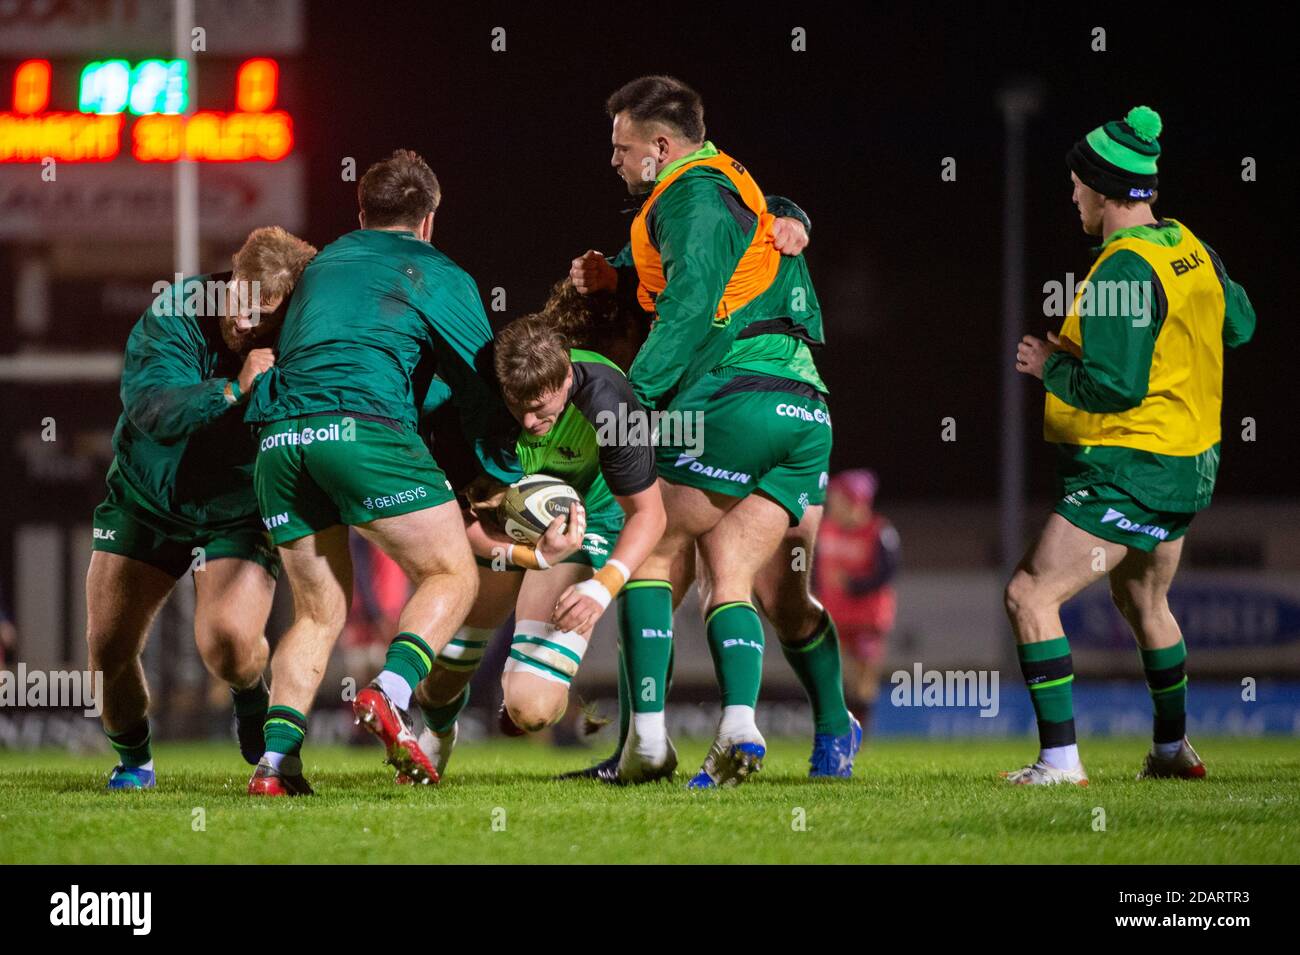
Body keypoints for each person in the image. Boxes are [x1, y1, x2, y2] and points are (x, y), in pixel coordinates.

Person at [569, 75, 855, 788]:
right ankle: (822, 731)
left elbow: (694, 302)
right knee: (767, 591)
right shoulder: (729, 185)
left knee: (652, 540)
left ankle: (649, 743)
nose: (614, 160)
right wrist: (621, 272)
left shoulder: (692, 193)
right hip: (804, 408)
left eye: (622, 146)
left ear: (659, 147)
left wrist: (633, 400)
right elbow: (729, 257)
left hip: (735, 395)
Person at [242, 149, 521, 794]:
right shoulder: (435, 270)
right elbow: (480, 384)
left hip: (281, 443)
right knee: (451, 573)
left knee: (317, 613)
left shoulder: (322, 265)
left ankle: (275, 764)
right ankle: (391, 694)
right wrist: (494, 470)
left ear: (360, 213)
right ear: (429, 219)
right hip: (359, 433)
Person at [1008, 105, 1255, 785]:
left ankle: (1060, 761)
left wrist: (1047, 363)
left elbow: (1115, 387)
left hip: (1134, 467)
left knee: (1030, 595)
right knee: (1145, 604)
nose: (1073, 196)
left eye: (1078, 185)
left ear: (1108, 189)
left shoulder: (1122, 269)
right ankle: (1173, 750)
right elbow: (1242, 325)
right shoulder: (1188, 245)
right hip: (1190, 463)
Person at [87, 227, 317, 790]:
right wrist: (231, 391)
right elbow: (150, 405)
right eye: (238, 302)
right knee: (109, 646)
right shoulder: (178, 309)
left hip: (237, 508)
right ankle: (135, 762)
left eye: (260, 314)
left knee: (230, 644)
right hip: (147, 496)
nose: (243, 321)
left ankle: (247, 691)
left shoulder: (308, 333)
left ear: (287, 308)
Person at [406, 311, 664, 778]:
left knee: (530, 708)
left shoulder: (612, 405)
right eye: (517, 406)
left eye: (541, 410)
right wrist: (527, 554)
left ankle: (537, 675)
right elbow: (457, 522)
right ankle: (439, 734)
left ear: (567, 378)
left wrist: (602, 587)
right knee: (437, 685)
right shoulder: (465, 404)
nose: (529, 421)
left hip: (586, 519)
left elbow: (650, 514)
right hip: (501, 525)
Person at [813, 469, 899, 736]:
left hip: (867, 618)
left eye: (837, 499)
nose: (831, 504)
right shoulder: (825, 529)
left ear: (855, 501)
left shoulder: (879, 531)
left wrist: (853, 584)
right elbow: (814, 570)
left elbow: (887, 572)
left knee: (863, 678)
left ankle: (861, 730)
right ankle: (840, 728)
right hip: (834, 616)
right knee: (836, 675)